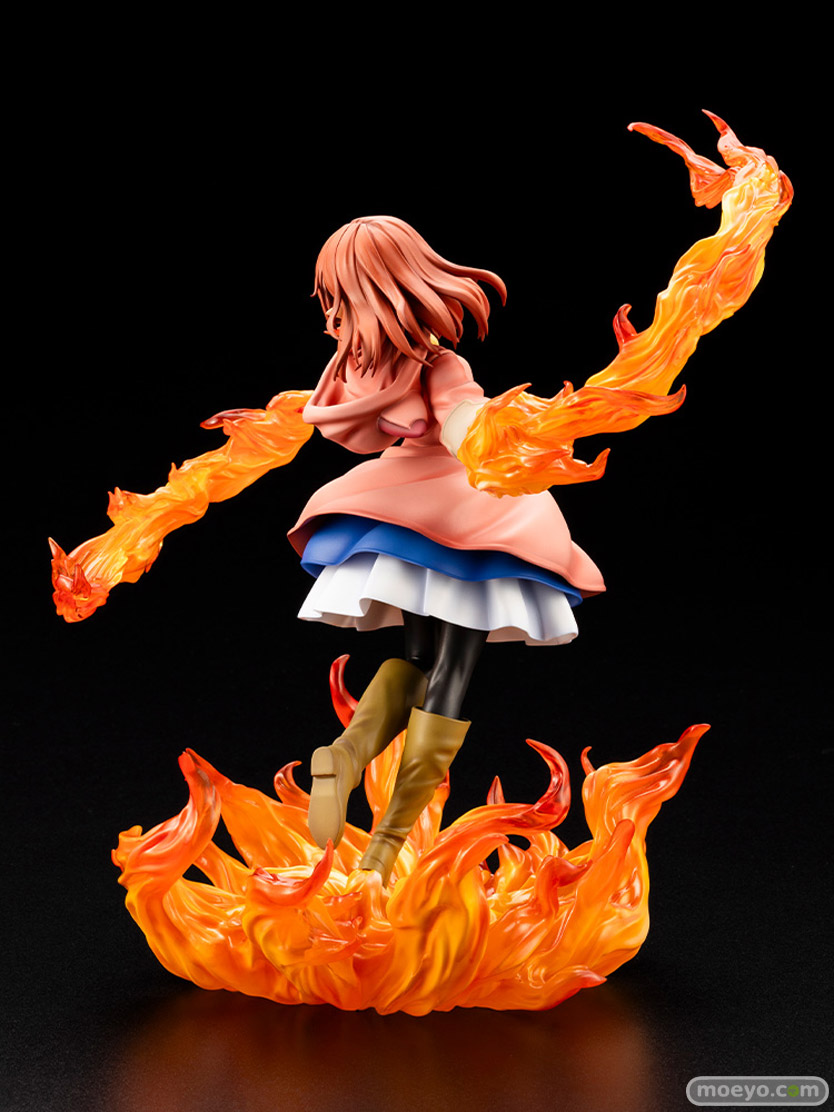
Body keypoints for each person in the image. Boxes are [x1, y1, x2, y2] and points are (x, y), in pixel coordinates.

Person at [290, 216, 604, 884]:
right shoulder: (440, 364)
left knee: (417, 656)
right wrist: (508, 442)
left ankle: (344, 755)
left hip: (402, 513)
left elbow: (356, 433)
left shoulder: (360, 369)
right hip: (467, 517)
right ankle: (383, 852)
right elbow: (464, 429)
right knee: (452, 672)